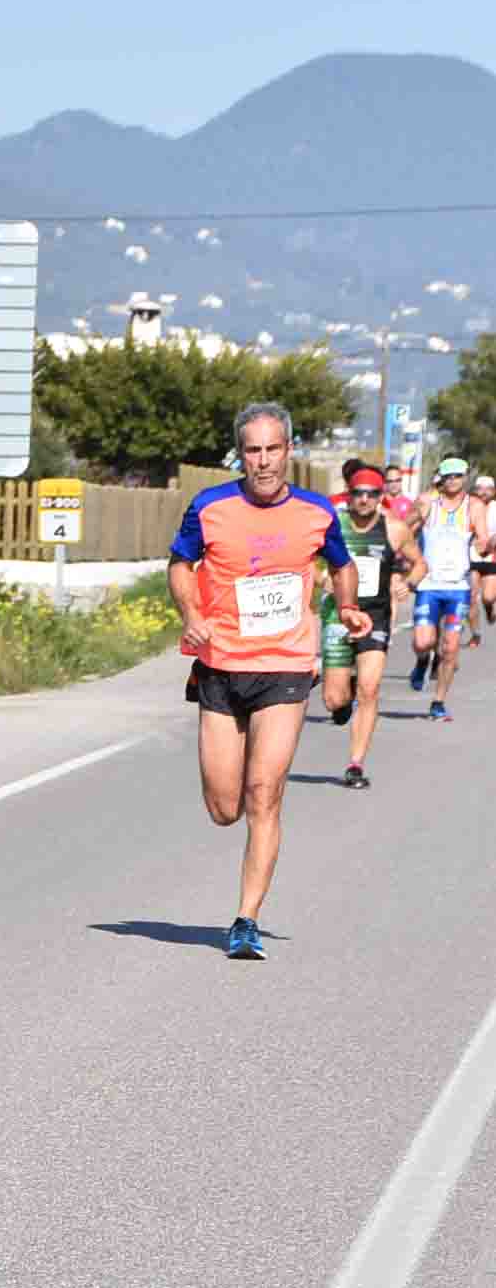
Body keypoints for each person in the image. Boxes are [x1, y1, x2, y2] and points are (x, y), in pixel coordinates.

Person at [168, 402, 365, 960]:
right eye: (252, 450)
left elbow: (341, 563)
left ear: (289, 450)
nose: (263, 461)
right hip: (221, 666)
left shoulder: (316, 512)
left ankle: (246, 920)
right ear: (241, 455)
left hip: (285, 666)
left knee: (264, 795)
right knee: (224, 807)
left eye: (272, 449)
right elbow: (180, 564)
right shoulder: (209, 507)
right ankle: (243, 895)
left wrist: (348, 604)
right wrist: (191, 613)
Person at [315, 466, 425, 789]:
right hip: (338, 615)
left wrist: (408, 583)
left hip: (375, 616)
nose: (364, 499)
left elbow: (420, 563)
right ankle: (343, 693)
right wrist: (322, 579)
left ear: (380, 497)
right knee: (334, 700)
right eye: (358, 493)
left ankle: (355, 764)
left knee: (370, 688)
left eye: (372, 494)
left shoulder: (394, 528)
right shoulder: (331, 525)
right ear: (348, 495)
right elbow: (304, 560)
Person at [405, 456, 492, 721]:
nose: (453, 480)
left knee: (451, 647)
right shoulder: (427, 501)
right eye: (448, 476)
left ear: (465, 477)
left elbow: (483, 540)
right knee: (423, 641)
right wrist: (415, 522)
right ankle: (422, 660)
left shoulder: (473, 506)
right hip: (429, 584)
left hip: (457, 587)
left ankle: (438, 701)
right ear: (441, 477)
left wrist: (483, 544)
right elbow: (403, 529)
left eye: (458, 476)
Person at [472, 474, 496, 630]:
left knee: (488, 597)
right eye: (480, 488)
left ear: (493, 491)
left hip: (492, 556)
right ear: (475, 490)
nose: (484, 492)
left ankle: (488, 609)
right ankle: (475, 633)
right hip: (471, 556)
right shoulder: (469, 507)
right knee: (471, 596)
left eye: (488, 489)